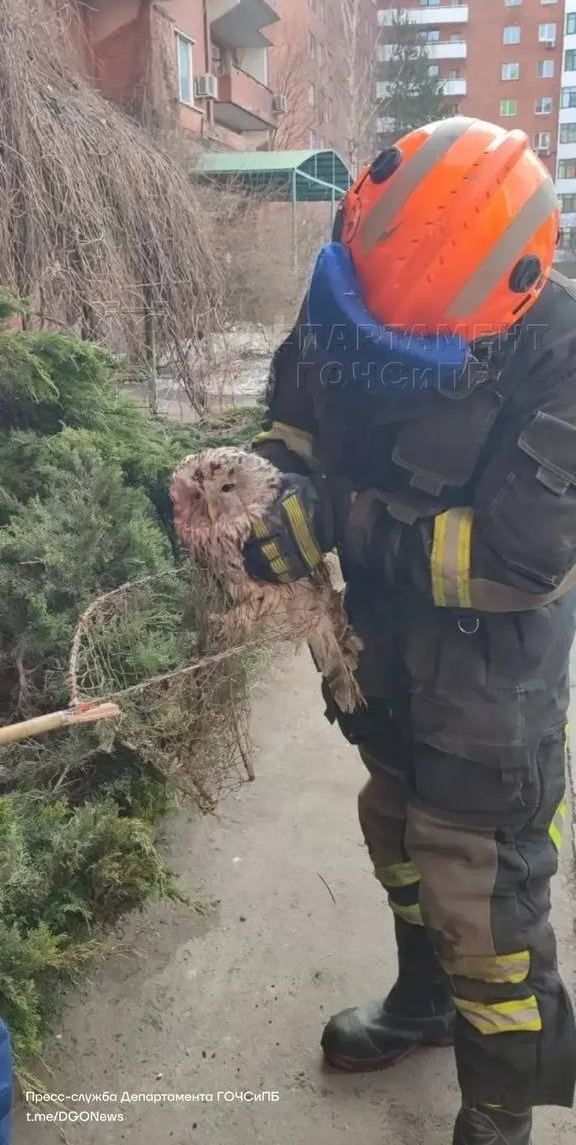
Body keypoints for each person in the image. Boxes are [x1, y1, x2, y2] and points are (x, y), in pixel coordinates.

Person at [244, 117, 576, 1145]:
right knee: (393, 829)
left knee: (484, 901)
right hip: (375, 651)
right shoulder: (352, 284)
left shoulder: (560, 359)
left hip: (489, 680)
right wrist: (265, 500)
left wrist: (336, 519)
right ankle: (423, 1001)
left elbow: (520, 560)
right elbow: (293, 429)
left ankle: (500, 1115)